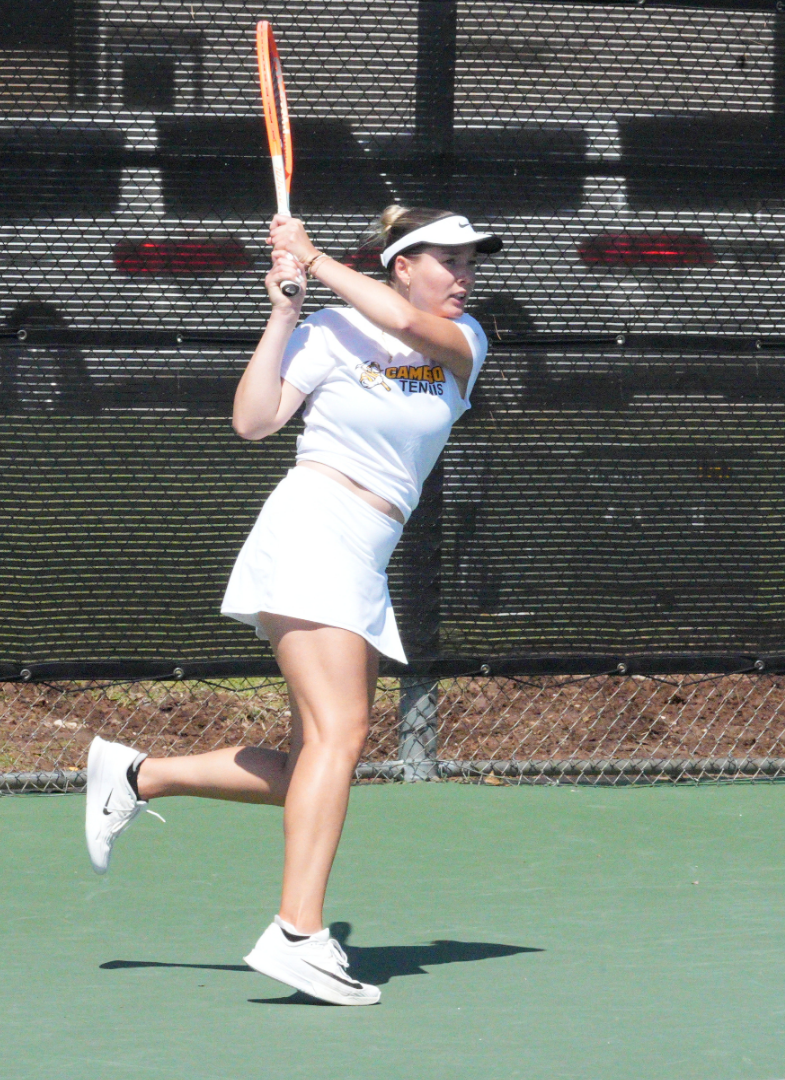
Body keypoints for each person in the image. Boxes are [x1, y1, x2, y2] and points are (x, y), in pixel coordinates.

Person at [82, 204, 501, 1005]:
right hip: (313, 525)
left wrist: (314, 261)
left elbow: (402, 326)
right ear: (402, 263)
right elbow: (254, 420)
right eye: (448, 260)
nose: (464, 274)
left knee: (321, 762)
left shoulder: (464, 341)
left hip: (365, 549)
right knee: (341, 739)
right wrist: (284, 313)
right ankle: (298, 933)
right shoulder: (334, 330)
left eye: (471, 261)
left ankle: (136, 776)